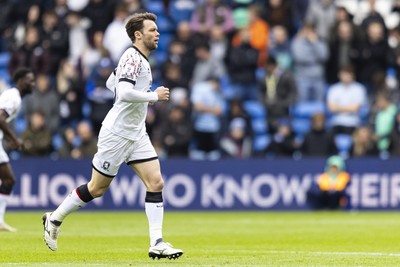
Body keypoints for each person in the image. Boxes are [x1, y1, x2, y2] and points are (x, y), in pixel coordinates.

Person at [42, 12, 183, 260]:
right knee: (97, 189)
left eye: (157, 29)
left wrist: (136, 97)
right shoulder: (132, 57)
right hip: (117, 134)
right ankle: (54, 219)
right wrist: (152, 96)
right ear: (138, 35)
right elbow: (124, 91)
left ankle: (157, 243)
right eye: (152, 30)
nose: (157, 33)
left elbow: (112, 83)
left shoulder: (138, 59)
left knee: (156, 183)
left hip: (136, 133)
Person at [0, 68, 35, 231]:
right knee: (8, 180)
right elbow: (0, 116)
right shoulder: (13, 97)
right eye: (30, 80)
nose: (33, 84)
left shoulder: (14, 97)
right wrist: (13, 138)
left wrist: (9, 138)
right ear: (20, 81)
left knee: (8, 180)